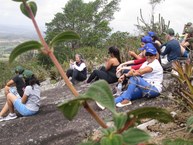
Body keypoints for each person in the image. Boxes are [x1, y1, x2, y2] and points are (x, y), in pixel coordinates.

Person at [115, 43, 163, 107]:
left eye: (151, 55)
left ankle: (127, 100)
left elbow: (140, 72)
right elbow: (136, 70)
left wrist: (130, 73)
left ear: (155, 56)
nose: (148, 56)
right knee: (126, 93)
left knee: (135, 78)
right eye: (147, 54)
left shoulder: (155, 64)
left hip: (154, 89)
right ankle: (108, 103)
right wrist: (125, 75)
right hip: (144, 88)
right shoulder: (146, 63)